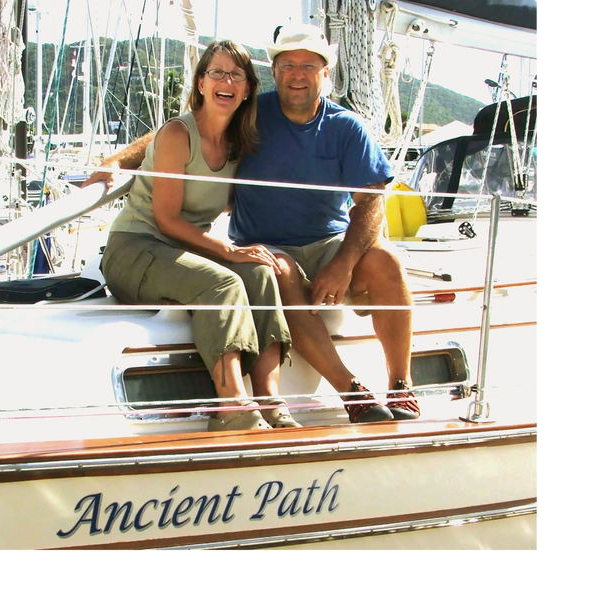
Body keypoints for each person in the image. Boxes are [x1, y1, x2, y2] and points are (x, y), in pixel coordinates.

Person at [86, 24, 419, 424]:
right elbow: (178, 130)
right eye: (288, 65)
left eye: (309, 66)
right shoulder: (252, 112)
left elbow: (371, 204)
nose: (297, 74)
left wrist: (343, 264)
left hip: (328, 242)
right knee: (276, 271)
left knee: (388, 261)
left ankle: (401, 385)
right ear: (275, 72)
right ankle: (351, 391)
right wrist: (115, 161)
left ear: (325, 74)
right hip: (265, 243)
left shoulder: (347, 127)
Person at [97, 40, 300, 432]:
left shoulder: (241, 145)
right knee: (224, 283)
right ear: (202, 83)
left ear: (246, 89)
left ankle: (270, 398)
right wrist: (229, 250)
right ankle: (231, 407)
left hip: (186, 251)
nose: (226, 81)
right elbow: (167, 219)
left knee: (260, 273)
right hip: (136, 249)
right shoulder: (178, 134)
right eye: (217, 73)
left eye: (236, 75)